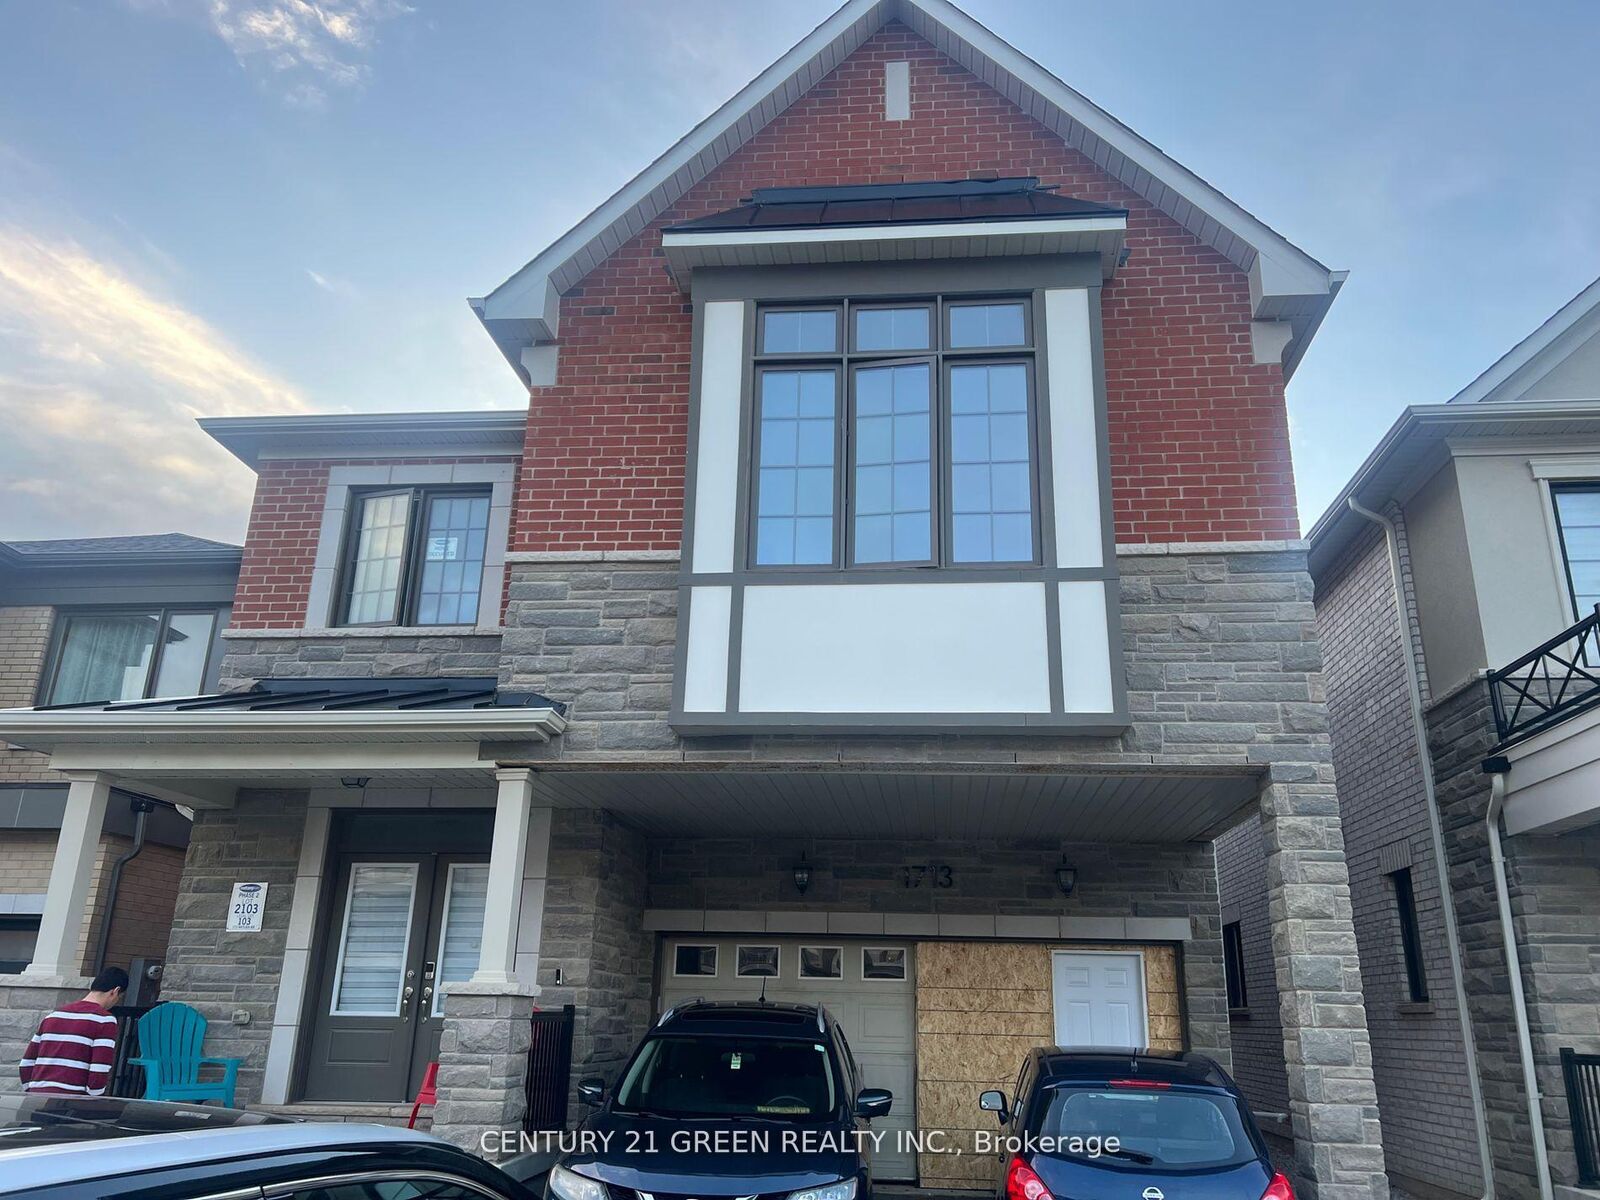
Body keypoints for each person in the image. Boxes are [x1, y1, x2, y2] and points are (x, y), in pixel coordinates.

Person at [19, 966, 128, 1096]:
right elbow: (99, 1069)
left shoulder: (53, 1016)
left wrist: (30, 1090)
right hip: (72, 1100)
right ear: (115, 991)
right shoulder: (104, 1020)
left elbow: (26, 1064)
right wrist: (93, 1098)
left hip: (36, 1096)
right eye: (119, 997)